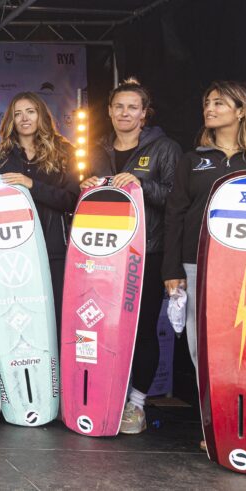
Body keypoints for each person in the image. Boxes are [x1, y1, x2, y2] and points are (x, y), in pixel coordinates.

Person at [79, 78, 180, 435]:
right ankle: (107, 394)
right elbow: (83, 195)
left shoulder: (164, 147)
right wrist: (86, 188)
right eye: (118, 106)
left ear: (144, 113)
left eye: (132, 107)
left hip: (147, 253)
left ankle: (136, 403)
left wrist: (140, 184)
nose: (125, 113)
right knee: (102, 327)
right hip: (103, 255)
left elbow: (174, 198)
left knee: (142, 330)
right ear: (109, 111)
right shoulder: (95, 149)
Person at [163, 81, 246, 371]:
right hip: (196, 263)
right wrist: (171, 269)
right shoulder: (192, 159)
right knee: (201, 344)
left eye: (218, 103)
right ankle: (211, 415)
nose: (209, 108)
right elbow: (174, 214)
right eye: (207, 102)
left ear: (241, 111)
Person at [0, 92, 78, 318]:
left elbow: (72, 200)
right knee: (21, 315)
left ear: (41, 116)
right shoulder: (1, 156)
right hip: (12, 253)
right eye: (17, 114)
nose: (24, 118)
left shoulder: (64, 152)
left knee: (56, 313)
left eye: (30, 112)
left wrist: (31, 185)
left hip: (53, 246)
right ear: (11, 121)